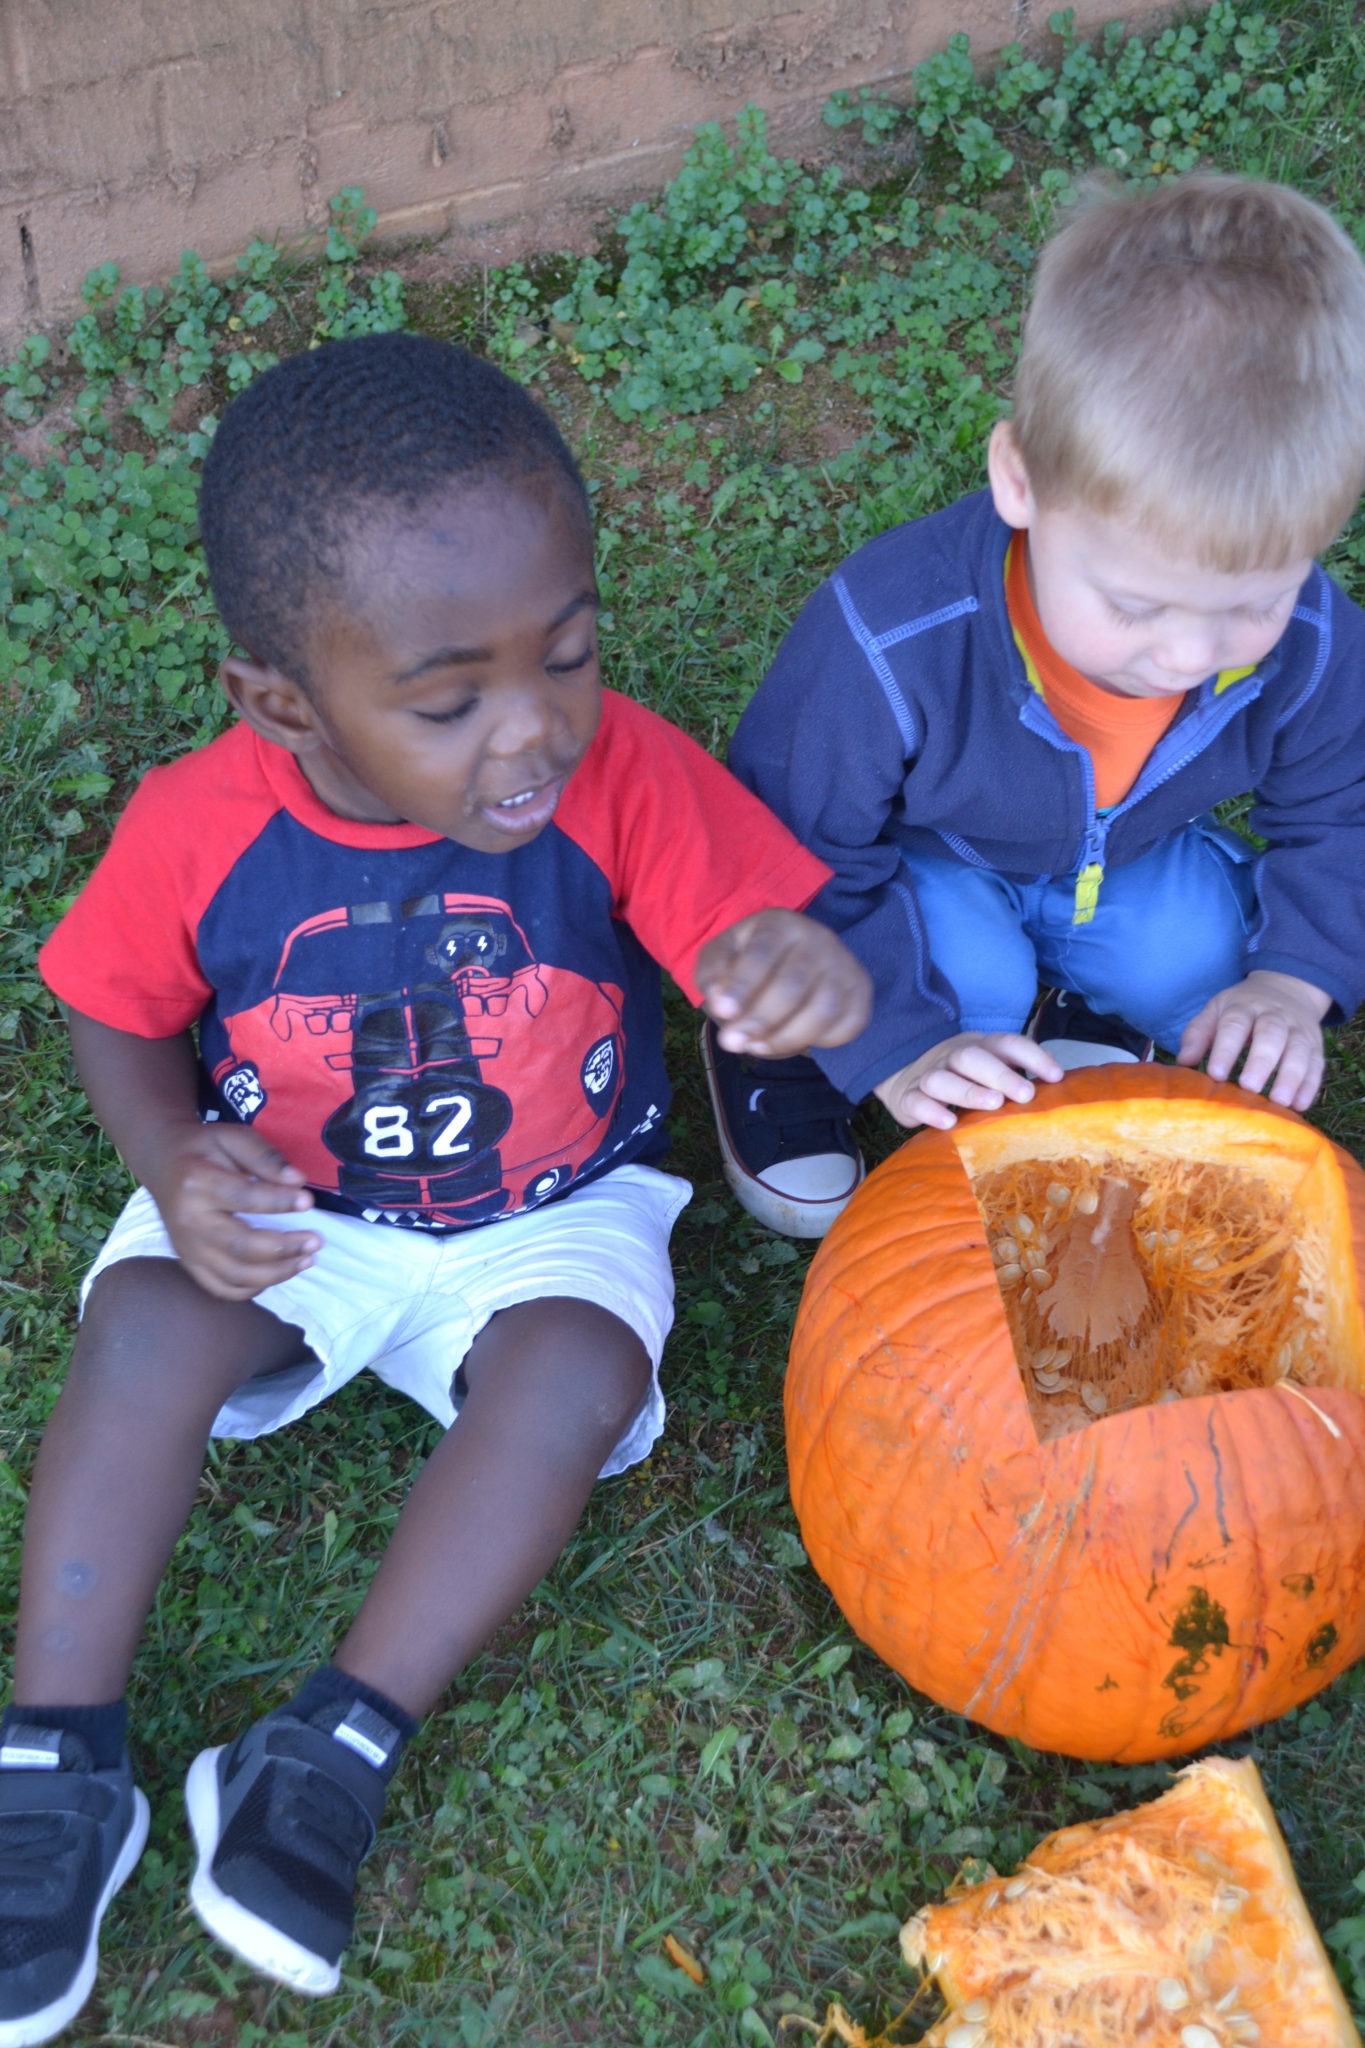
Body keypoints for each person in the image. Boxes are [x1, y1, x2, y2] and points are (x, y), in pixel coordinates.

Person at [1, 333, 870, 2044]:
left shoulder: (621, 772)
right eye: (449, 698)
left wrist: (788, 966)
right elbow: (112, 1003)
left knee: (579, 1372)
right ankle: (53, 1755)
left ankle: (334, 1738)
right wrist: (171, 1158)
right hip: (292, 1199)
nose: (535, 726)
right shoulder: (196, 826)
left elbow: (741, 925)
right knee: (145, 1328)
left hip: (554, 1204)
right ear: (285, 703)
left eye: (570, 650)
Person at [704, 174, 1365, 1236]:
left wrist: (1293, 981)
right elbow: (790, 849)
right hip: (928, 862)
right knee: (965, 989)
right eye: (1136, 605)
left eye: (1252, 604)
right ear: (1020, 480)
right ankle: (779, 1045)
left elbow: (1345, 807)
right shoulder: (891, 641)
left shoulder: (1315, 639)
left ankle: (1080, 1006)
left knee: (1204, 964)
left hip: (1127, 855)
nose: (1188, 655)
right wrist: (900, 1046)